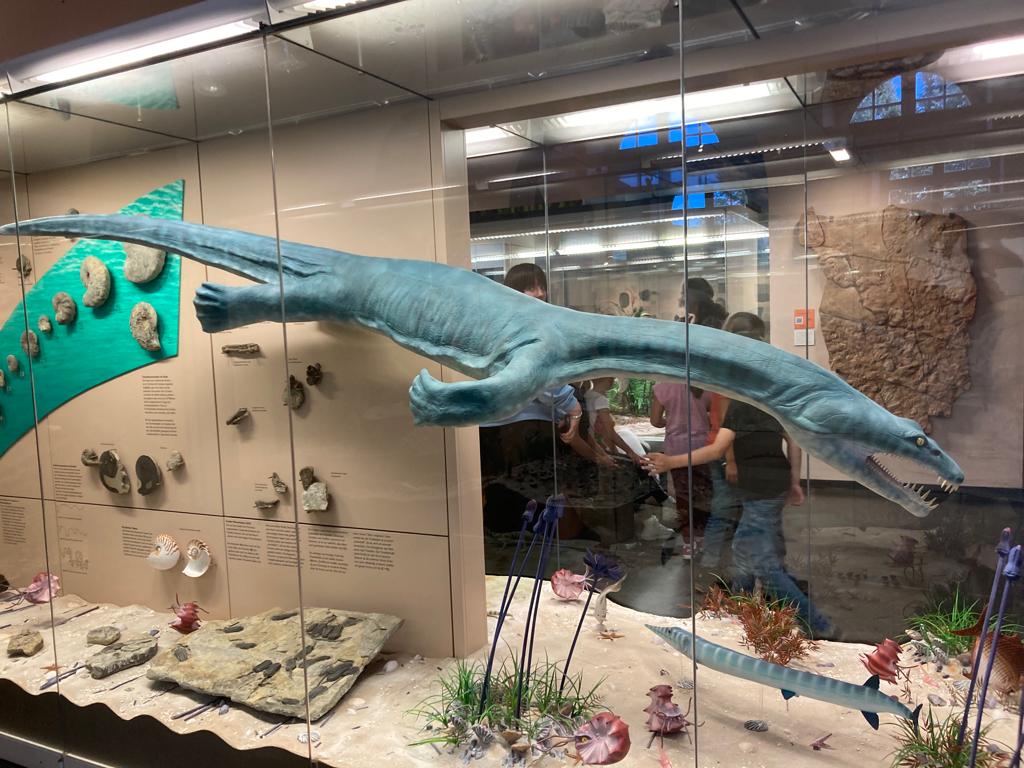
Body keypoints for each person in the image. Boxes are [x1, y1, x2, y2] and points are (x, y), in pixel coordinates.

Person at [643, 312, 832, 635]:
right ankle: (737, 610)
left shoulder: (743, 402)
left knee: (760, 562)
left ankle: (816, 623)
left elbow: (717, 449)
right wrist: (794, 481)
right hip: (772, 484)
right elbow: (793, 443)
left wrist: (670, 463)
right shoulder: (773, 397)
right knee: (754, 551)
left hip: (759, 488)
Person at [479, 263, 584, 533]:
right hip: (520, 434)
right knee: (529, 509)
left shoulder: (494, 325)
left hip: (498, 432)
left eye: (541, 286)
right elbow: (537, 378)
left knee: (506, 506)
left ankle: (508, 555)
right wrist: (572, 406)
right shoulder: (520, 327)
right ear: (512, 291)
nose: (539, 293)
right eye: (529, 287)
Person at [650, 290, 715, 556]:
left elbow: (655, 421)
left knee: (684, 497)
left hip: (675, 450)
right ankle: (703, 538)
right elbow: (713, 413)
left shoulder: (662, 386)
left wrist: (671, 420)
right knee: (704, 495)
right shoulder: (703, 382)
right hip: (703, 447)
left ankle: (688, 543)